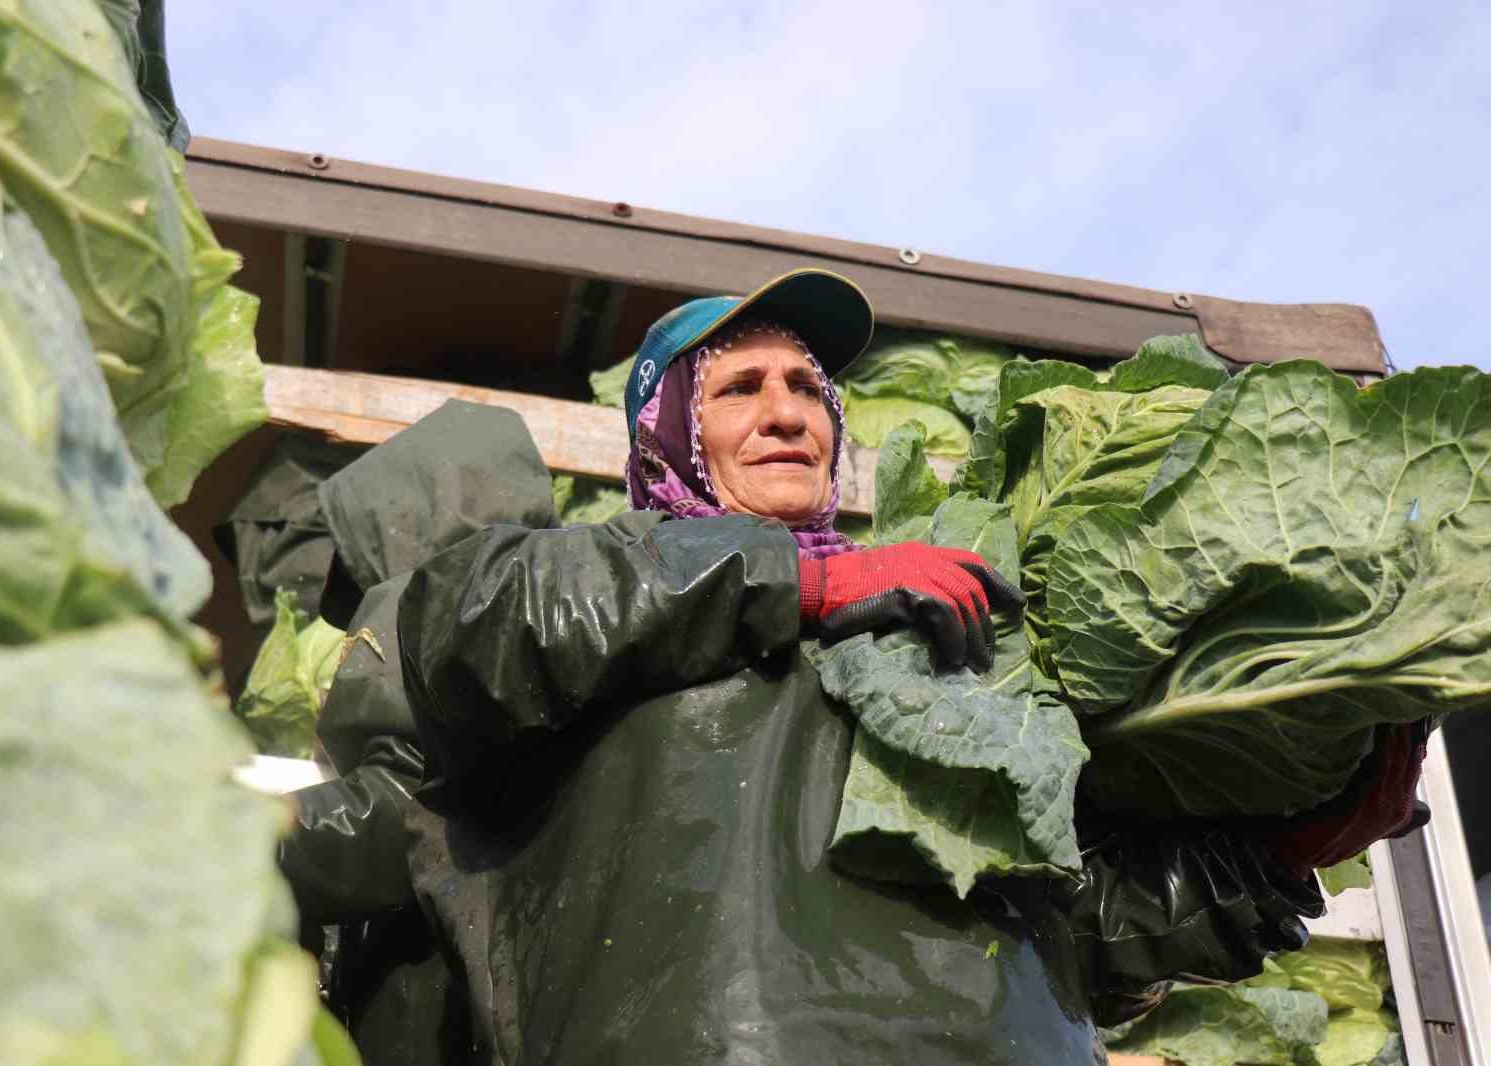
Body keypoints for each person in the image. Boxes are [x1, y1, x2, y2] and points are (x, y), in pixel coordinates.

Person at [276, 268, 1421, 1063]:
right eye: (739, 388)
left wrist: (1278, 859)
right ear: (665, 433)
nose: (786, 414)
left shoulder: (951, 621)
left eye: (808, 391)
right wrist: (793, 583)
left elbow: (1062, 928)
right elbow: (468, 627)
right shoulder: (588, 579)